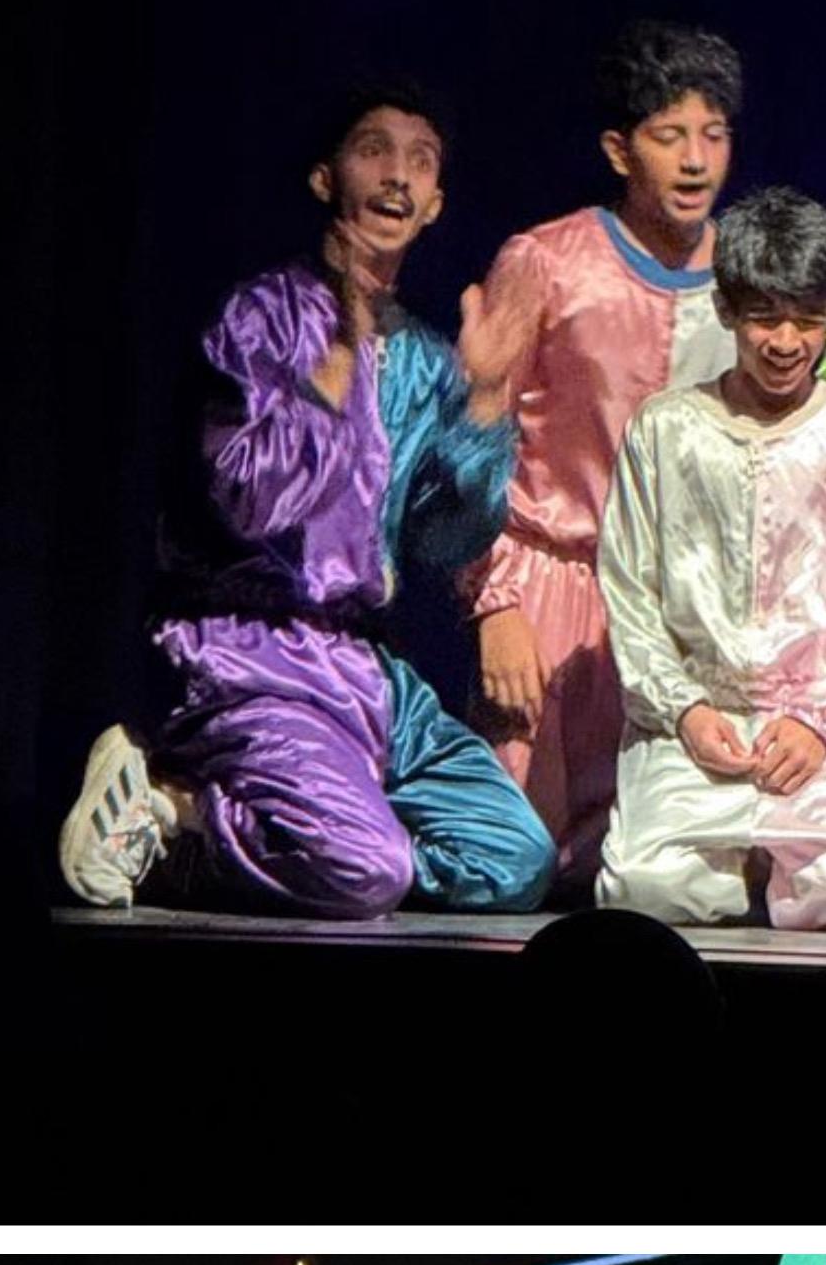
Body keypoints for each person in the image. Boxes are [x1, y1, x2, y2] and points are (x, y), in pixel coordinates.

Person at [59, 91, 554, 920]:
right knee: (367, 873)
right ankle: (180, 802)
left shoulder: (426, 357)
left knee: (515, 859)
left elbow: (443, 539)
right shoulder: (263, 319)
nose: (397, 176)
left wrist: (482, 404)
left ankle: (282, 827)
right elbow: (250, 502)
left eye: (420, 160)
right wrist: (334, 369)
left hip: (367, 672)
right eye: (374, 150)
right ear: (327, 179)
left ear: (436, 204)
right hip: (254, 655)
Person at [458, 20, 743, 889]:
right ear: (621, 150)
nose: (694, 160)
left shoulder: (744, 279)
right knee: (511, 865)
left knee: (664, 877)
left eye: (713, 135)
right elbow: (476, 443)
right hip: (550, 589)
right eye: (669, 135)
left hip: (679, 609)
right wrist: (494, 603)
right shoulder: (548, 263)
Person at [591, 188, 826, 931]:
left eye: (808, 319)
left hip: (821, 734)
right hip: (698, 727)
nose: (786, 341)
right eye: (765, 317)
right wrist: (684, 710)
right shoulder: (665, 429)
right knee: (648, 891)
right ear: (727, 310)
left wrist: (818, 723)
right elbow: (630, 591)